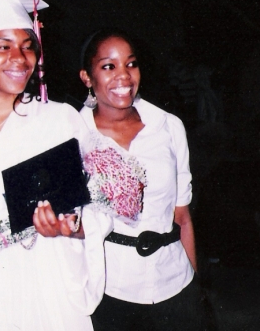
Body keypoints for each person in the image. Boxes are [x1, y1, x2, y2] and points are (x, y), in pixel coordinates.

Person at [0, 0, 108, 331]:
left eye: (27, 46)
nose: (19, 59)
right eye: (3, 47)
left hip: (51, 289)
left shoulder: (60, 120)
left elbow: (99, 207)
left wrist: (74, 229)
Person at [78, 29, 205, 331]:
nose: (124, 76)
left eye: (131, 64)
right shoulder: (75, 135)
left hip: (176, 283)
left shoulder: (168, 127)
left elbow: (183, 217)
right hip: (111, 289)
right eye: (108, 66)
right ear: (87, 77)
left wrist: (194, 290)